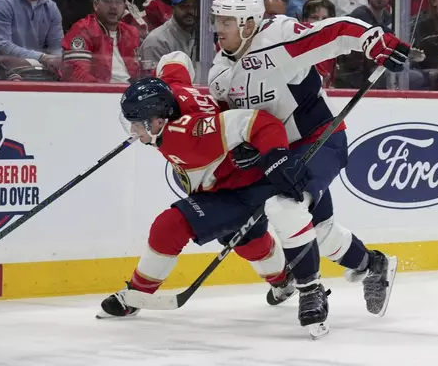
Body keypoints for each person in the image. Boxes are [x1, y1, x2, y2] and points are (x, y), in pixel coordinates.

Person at [97, 50, 331, 337]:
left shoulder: (189, 134)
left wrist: (277, 159)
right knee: (247, 241)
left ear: (158, 120)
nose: (133, 131)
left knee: (170, 226)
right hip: (229, 181)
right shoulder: (171, 90)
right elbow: (176, 59)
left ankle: (135, 296)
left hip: (240, 188)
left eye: (137, 124)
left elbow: (261, 124)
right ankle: (283, 281)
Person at [207, 0, 403, 316]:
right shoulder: (219, 73)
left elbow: (334, 32)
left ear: (248, 23)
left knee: (284, 206)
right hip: (276, 152)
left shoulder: (279, 36)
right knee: (321, 232)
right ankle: (374, 264)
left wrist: (374, 40)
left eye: (227, 21)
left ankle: (310, 290)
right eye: (217, 20)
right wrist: (243, 146)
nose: (218, 28)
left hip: (320, 139)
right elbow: (234, 121)